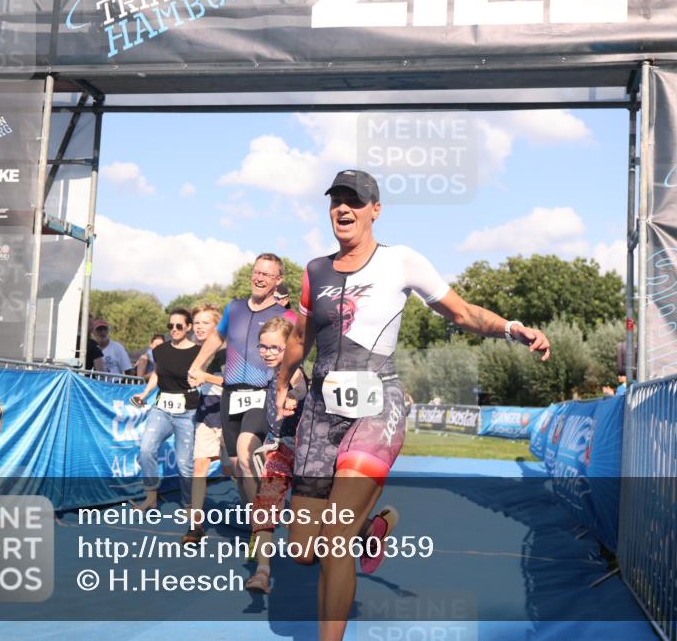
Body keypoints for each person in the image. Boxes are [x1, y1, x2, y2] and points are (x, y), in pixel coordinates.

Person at [276, 169, 550, 641]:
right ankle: (373, 525)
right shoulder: (314, 270)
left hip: (376, 406)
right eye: (336, 200)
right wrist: (282, 384)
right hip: (320, 411)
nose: (343, 209)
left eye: (354, 201)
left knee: (335, 536)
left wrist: (511, 328)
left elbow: (462, 312)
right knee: (303, 550)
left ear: (375, 210)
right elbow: (300, 338)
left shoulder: (401, 260)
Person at [189, 254, 287, 506]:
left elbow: (297, 349)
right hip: (230, 395)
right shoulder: (234, 308)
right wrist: (197, 365)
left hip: (262, 393)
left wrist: (289, 387)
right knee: (237, 466)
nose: (259, 278)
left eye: (266, 274)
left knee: (246, 454)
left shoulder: (285, 315)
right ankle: (257, 513)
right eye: (257, 272)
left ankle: (263, 519)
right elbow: (216, 338)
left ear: (278, 280)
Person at [243, 316, 309, 594]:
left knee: (323, 512)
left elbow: (300, 386)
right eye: (263, 346)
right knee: (265, 504)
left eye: (275, 348)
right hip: (278, 449)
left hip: (306, 454)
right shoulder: (274, 374)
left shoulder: (293, 372)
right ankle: (262, 571)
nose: (267, 353)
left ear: (290, 348)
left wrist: (293, 396)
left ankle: (367, 529)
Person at [130, 309, 199, 517]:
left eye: (179, 326)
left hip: (187, 411)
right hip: (162, 408)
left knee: (184, 464)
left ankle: (189, 505)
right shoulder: (160, 350)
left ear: (188, 327)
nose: (174, 330)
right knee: (146, 449)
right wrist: (145, 393)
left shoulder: (198, 352)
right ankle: (151, 498)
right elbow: (157, 374)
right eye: (171, 326)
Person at [183, 304, 228, 544]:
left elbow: (233, 382)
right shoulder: (197, 352)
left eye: (205, 323)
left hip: (230, 414)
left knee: (235, 470)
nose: (199, 327)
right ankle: (196, 525)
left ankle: (260, 522)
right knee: (200, 466)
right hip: (206, 413)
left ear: (217, 326)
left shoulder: (228, 350)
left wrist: (205, 376)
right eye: (197, 323)